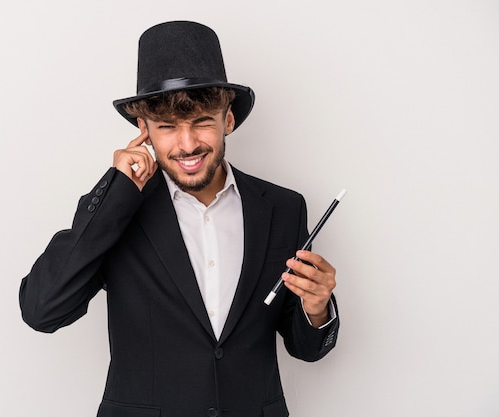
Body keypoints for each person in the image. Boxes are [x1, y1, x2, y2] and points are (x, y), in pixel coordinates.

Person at [19, 21, 339, 417]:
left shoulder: (283, 208)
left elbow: (304, 347)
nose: (187, 145)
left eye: (202, 121)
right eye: (167, 127)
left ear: (228, 120)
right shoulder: (120, 210)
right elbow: (42, 310)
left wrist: (318, 307)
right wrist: (114, 192)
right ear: (144, 131)